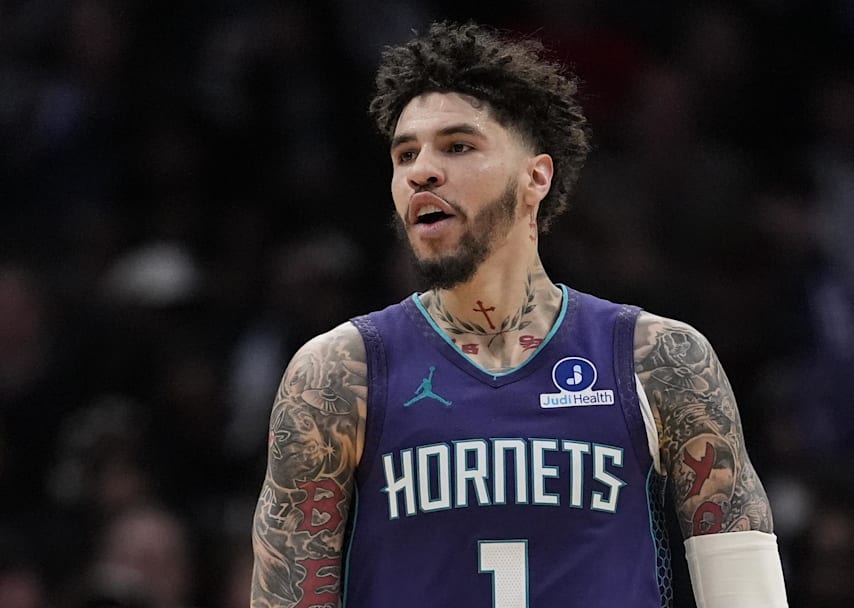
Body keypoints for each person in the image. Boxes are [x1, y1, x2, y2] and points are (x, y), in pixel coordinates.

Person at [251, 21, 787, 608]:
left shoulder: (660, 360)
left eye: (458, 146)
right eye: (406, 153)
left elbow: (747, 596)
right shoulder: (336, 374)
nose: (421, 171)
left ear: (536, 176)